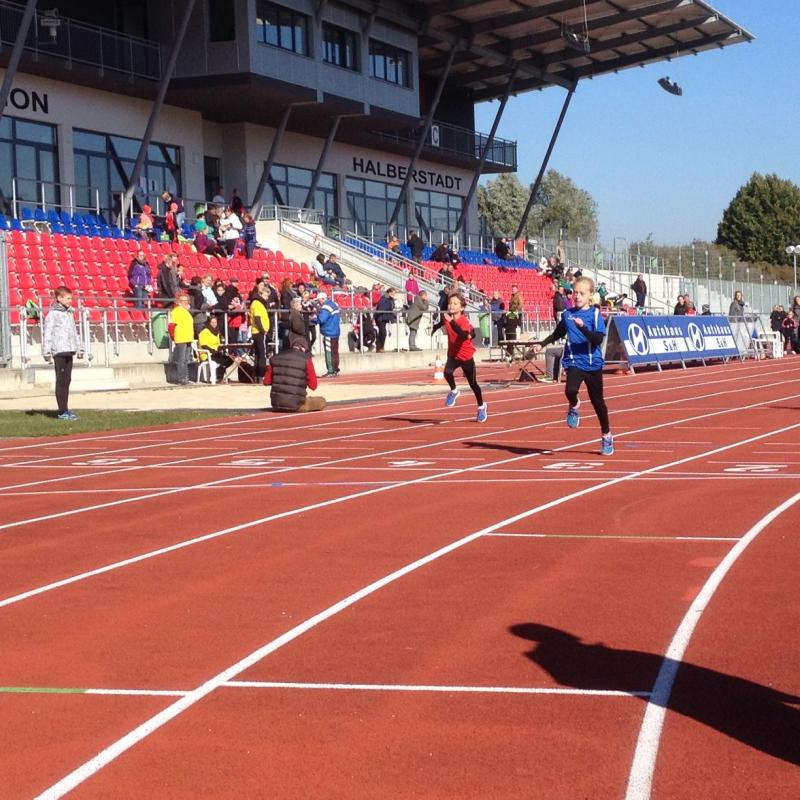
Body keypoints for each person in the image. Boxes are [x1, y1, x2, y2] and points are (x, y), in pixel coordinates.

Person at [533, 276, 614, 456]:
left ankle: (606, 435)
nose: (577, 296)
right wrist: (542, 344)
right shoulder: (568, 314)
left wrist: (583, 327)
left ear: (590, 295)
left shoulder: (595, 314)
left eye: (581, 293)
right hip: (574, 361)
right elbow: (557, 333)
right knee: (570, 390)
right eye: (575, 293)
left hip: (592, 363)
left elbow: (598, 340)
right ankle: (575, 404)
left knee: (598, 402)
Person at [432, 293, 487, 423]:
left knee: (473, 384)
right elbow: (442, 322)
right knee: (447, 372)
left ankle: (481, 407)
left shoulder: (463, 321)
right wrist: (434, 328)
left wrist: (453, 323)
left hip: (466, 356)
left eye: (455, 303)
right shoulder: (447, 318)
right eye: (450, 303)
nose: (451, 305)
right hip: (453, 354)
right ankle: (454, 391)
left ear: (461, 308)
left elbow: (463, 335)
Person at [42, 286, 83, 420]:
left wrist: (79, 347)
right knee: (61, 380)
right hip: (59, 350)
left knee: (67, 379)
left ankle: (65, 409)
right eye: (68, 298)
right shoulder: (53, 314)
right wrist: (46, 351)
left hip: (69, 349)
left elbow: (74, 331)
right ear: (59, 298)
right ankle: (62, 411)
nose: (70, 301)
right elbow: (48, 332)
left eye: (71, 298)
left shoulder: (69, 313)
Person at [264, 339, 326, 413]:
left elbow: (266, 382)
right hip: (296, 404)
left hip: (276, 403)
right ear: (303, 348)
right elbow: (313, 386)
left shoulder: (275, 358)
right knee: (322, 401)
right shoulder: (306, 360)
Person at [198, 316, 238, 382]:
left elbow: (218, 344)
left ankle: (219, 375)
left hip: (216, 353)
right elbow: (203, 345)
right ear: (209, 323)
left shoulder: (217, 332)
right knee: (222, 361)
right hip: (207, 354)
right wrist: (213, 351)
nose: (214, 324)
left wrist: (222, 348)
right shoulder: (204, 331)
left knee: (230, 359)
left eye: (215, 322)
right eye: (212, 322)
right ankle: (218, 377)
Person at [168, 292, 195, 385]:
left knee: (186, 359)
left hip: (188, 338)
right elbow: (172, 325)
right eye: (184, 301)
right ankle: (181, 378)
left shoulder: (186, 311)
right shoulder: (176, 311)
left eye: (187, 300)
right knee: (181, 359)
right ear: (179, 302)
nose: (186, 302)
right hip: (181, 338)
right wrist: (173, 337)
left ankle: (186, 378)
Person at [249, 285, 272, 380]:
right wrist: (263, 331)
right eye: (265, 296)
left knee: (258, 354)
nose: (266, 298)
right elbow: (257, 319)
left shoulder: (257, 303)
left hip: (257, 331)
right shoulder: (257, 304)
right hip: (259, 332)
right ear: (260, 294)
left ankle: (256, 375)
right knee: (262, 354)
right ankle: (261, 375)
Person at [317, 291, 341, 377]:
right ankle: (336, 369)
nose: (319, 302)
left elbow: (322, 319)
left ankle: (331, 370)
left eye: (319, 300)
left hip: (328, 332)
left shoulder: (326, 307)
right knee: (335, 351)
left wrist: (313, 318)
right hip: (335, 331)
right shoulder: (334, 304)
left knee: (329, 352)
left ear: (322, 299)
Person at [375, 287, 397, 352]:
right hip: (381, 317)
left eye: (394, 294)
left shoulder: (391, 299)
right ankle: (381, 347)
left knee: (382, 332)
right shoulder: (384, 298)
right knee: (383, 332)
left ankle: (379, 347)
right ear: (389, 293)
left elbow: (392, 307)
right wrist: (390, 302)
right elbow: (382, 308)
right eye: (393, 293)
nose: (394, 295)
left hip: (385, 317)